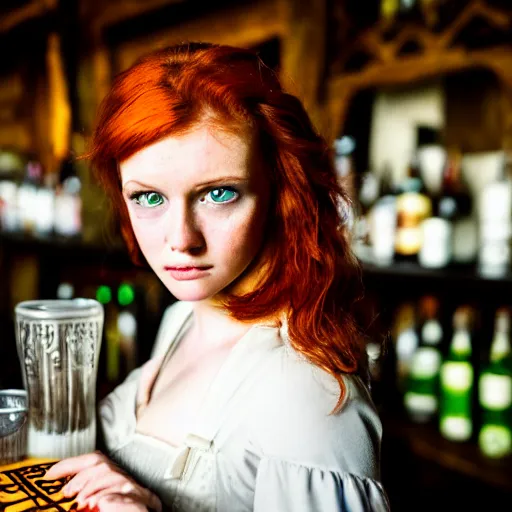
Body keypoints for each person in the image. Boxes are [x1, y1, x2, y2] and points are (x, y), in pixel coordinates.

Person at [44, 42, 390, 511]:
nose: (181, 239)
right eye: (148, 198)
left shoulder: (307, 396)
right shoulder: (186, 316)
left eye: (218, 194)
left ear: (281, 189)